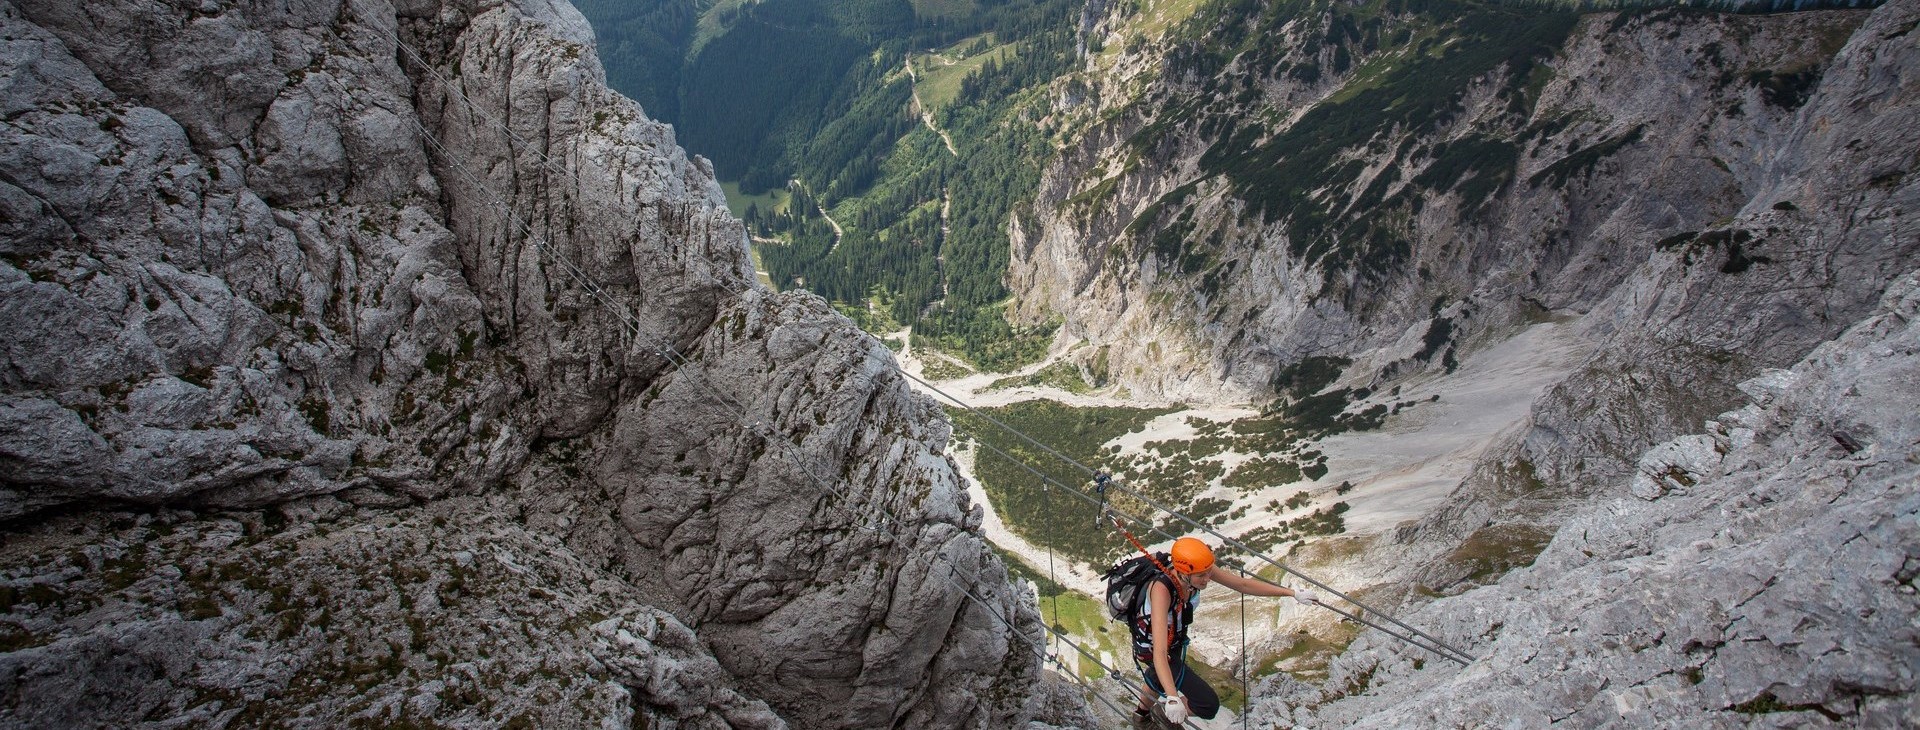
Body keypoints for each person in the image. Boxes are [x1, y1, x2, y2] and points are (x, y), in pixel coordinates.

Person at [1130, 537, 1319, 726]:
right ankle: (1162, 714)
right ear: (1184, 573)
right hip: (1153, 647)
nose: (1207, 579)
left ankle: (1141, 717)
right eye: (1201, 576)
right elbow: (1160, 654)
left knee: (1158, 677)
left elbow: (1242, 585)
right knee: (1207, 704)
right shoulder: (1162, 590)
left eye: (1208, 573)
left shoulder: (1197, 569)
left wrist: (1291, 593)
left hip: (1174, 639)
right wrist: (1172, 698)